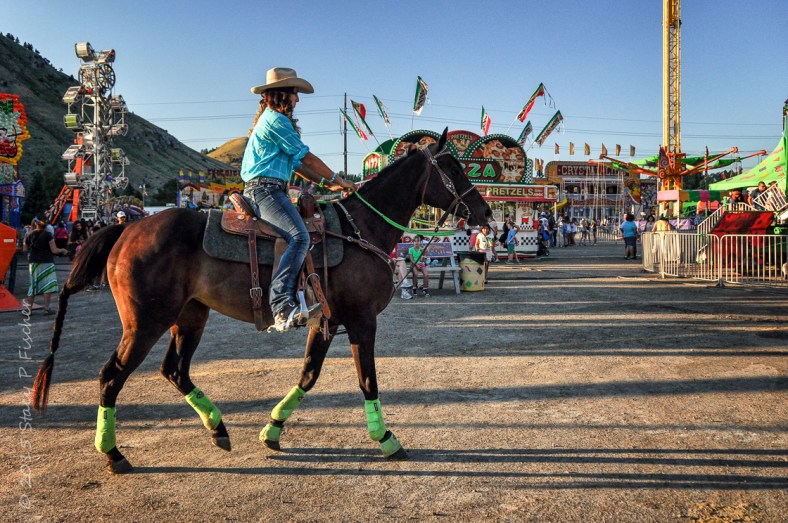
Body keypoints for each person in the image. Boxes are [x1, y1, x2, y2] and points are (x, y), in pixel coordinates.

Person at [241, 67, 357, 332]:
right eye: (294, 93)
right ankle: (281, 305)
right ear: (282, 94)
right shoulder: (276, 121)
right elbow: (307, 157)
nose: (297, 99)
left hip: (271, 188)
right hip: (265, 190)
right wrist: (339, 179)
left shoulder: (274, 122)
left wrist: (329, 183)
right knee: (300, 237)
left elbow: (299, 165)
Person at [22, 218, 68, 314]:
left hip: (34, 262)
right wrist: (63, 250)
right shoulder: (48, 235)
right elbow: (54, 250)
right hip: (47, 262)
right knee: (48, 285)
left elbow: (25, 250)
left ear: (35, 224)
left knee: (33, 285)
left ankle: (28, 309)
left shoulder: (28, 234)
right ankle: (46, 308)